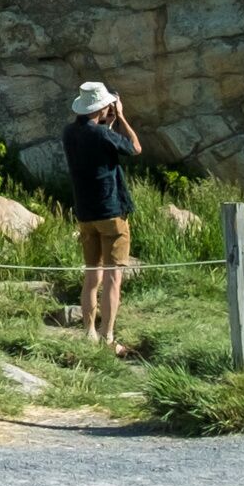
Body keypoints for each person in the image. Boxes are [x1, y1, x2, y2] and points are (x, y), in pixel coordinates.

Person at [61, 82, 141, 355]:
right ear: (103, 107)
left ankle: (89, 333)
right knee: (113, 277)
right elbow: (135, 147)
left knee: (91, 274)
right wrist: (121, 117)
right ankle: (108, 337)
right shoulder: (102, 135)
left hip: (85, 212)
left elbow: (95, 138)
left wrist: (107, 120)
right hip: (111, 213)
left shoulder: (69, 132)